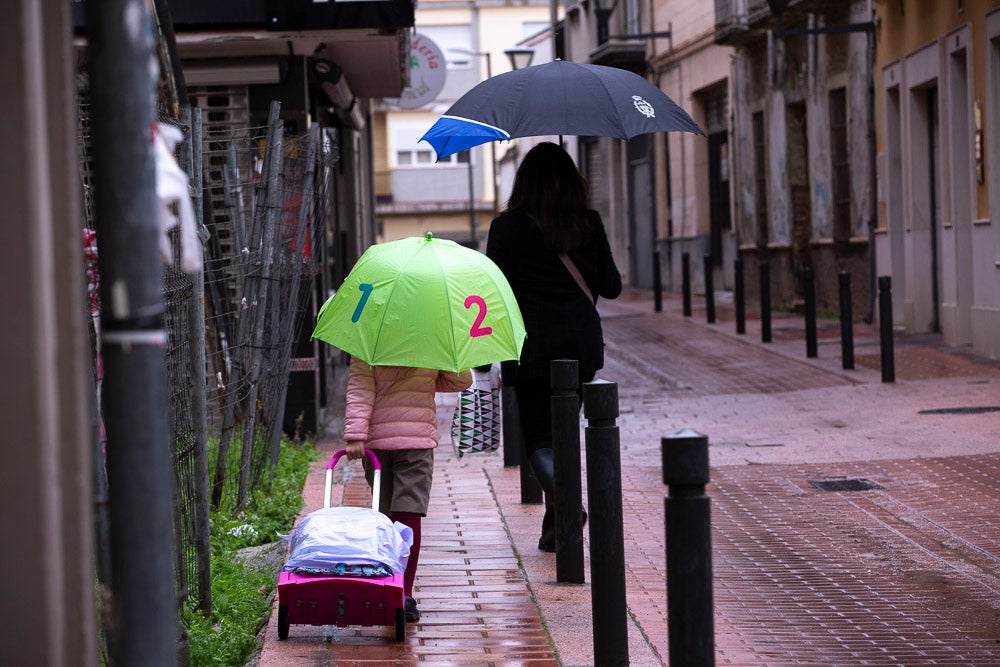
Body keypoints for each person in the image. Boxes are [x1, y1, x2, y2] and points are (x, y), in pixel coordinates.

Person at [485, 141, 622, 552]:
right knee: (563, 433)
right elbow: (612, 286)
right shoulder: (588, 223)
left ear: (523, 182)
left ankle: (566, 507)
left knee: (540, 442)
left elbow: (493, 290)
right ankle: (555, 529)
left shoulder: (506, 228)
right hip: (579, 346)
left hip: (528, 346)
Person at [343, 357, 472, 621]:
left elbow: (360, 388)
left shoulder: (369, 338)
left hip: (377, 441)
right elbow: (461, 380)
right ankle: (404, 593)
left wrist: (355, 436)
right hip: (417, 440)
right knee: (409, 512)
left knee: (386, 514)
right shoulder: (432, 339)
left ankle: (386, 584)